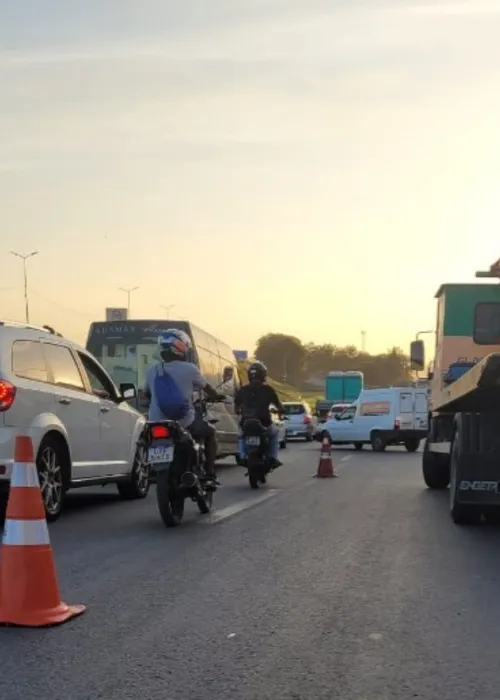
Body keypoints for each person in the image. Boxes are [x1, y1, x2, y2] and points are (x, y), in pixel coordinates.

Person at [142, 329, 223, 481]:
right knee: (210, 431)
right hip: (184, 421)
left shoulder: (152, 370)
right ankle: (210, 473)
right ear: (182, 347)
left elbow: (146, 394)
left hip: (156, 421)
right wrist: (217, 396)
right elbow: (207, 388)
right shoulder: (190, 369)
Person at [234, 360, 284, 468]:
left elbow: (236, 408)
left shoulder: (243, 390)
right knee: (274, 434)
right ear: (263, 375)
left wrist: (239, 412)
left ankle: (242, 456)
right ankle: (273, 457)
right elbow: (279, 405)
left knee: (241, 436)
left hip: (246, 422)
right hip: (264, 423)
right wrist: (280, 413)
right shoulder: (268, 389)